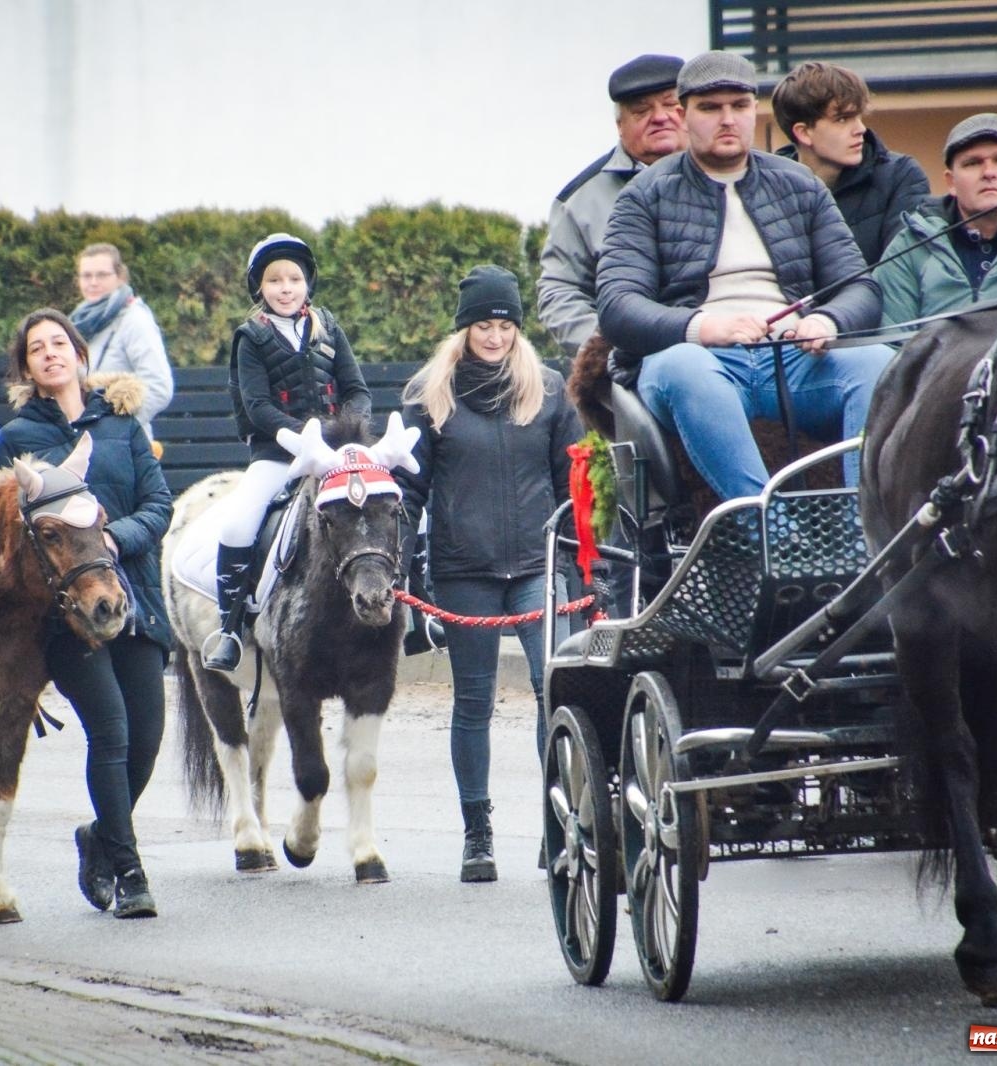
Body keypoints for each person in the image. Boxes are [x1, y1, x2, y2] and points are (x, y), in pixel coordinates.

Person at [594, 51, 894, 503]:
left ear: (755, 109)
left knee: (877, 363)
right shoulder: (644, 196)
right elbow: (617, 306)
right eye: (710, 108)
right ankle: (773, 533)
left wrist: (827, 321)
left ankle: (858, 533)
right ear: (683, 114)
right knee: (685, 368)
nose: (727, 119)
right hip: (697, 362)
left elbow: (860, 286)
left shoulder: (800, 184)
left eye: (739, 105)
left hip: (793, 360)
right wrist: (703, 328)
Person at [396, 266, 583, 883]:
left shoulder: (551, 390)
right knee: (472, 702)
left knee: (550, 688)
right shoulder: (429, 394)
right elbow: (410, 491)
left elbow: (569, 485)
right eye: (484, 325)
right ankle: (477, 834)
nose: (496, 336)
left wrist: (582, 563)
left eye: (505, 325)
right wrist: (404, 573)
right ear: (465, 328)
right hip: (464, 568)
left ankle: (559, 820)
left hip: (536, 563)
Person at [0, 308, 172, 920]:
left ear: (78, 352)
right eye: (36, 348)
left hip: (134, 599)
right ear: (26, 368)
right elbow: (7, 531)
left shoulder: (123, 424)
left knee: (147, 739)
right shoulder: (17, 440)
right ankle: (129, 872)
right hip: (64, 614)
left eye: (59, 343)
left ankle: (99, 837)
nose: (50, 353)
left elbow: (159, 502)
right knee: (112, 731)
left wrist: (116, 539)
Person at [204, 233, 372, 672]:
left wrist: (344, 432)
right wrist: (303, 437)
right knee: (238, 526)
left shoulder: (328, 327)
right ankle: (230, 627)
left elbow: (356, 391)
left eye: (293, 278)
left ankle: (414, 615)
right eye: (274, 279)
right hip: (278, 453)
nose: (285, 287)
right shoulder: (250, 338)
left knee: (390, 504)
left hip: (335, 453)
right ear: (259, 286)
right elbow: (257, 406)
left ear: (306, 283)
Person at [537, 54, 687, 357]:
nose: (660, 117)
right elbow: (560, 291)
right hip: (631, 368)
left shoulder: (732, 176)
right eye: (641, 110)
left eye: (671, 105)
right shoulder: (579, 201)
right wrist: (610, 350)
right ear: (620, 124)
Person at [875, 113, 997, 328]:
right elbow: (890, 348)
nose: (989, 172)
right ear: (951, 182)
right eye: (972, 163)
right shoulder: (910, 248)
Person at [770, 61, 929, 266]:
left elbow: (904, 271)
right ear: (803, 132)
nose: (860, 128)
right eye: (843, 119)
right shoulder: (767, 188)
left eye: (859, 116)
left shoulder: (900, 176)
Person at [70, 242, 175, 438]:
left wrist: (116, 428)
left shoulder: (134, 319)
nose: (93, 282)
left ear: (120, 277)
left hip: (125, 447)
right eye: (86, 275)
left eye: (102, 275)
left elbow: (160, 387)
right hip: (83, 442)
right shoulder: (79, 321)